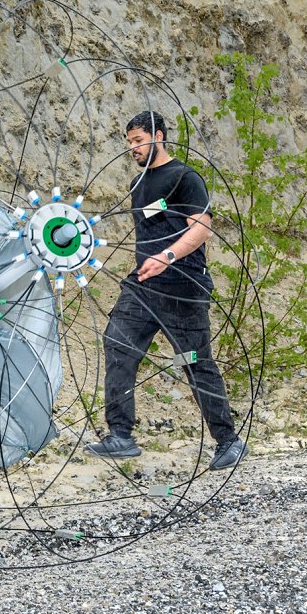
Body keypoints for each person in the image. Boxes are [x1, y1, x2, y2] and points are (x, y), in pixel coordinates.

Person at [85, 110, 248, 470]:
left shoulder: (185, 178)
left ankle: (228, 441)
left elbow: (201, 228)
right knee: (117, 342)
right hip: (144, 285)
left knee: (194, 362)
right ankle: (121, 436)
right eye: (129, 142)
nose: (133, 148)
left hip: (183, 286)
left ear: (159, 137)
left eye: (138, 140)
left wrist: (167, 256)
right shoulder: (136, 183)